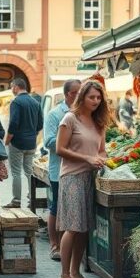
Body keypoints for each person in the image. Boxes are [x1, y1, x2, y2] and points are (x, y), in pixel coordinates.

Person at [55, 80, 109, 278]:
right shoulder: (70, 118)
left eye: (98, 97)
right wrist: (87, 158)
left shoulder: (99, 122)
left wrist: (100, 158)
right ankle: (64, 275)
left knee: (84, 228)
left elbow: (102, 150)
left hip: (90, 178)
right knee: (73, 226)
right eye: (91, 97)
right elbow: (60, 148)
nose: (96, 101)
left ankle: (76, 272)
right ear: (82, 97)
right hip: (72, 178)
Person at [42, 79, 81, 262]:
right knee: (56, 208)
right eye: (76, 93)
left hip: (79, 170)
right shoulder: (54, 114)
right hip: (59, 169)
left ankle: (69, 247)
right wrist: (68, 141)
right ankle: (54, 245)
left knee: (71, 210)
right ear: (67, 95)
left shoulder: (84, 113)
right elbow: (48, 141)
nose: (79, 96)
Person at [5, 77, 42, 209]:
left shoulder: (16, 102)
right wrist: (33, 135)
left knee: (16, 172)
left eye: (11, 87)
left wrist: (7, 140)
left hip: (17, 143)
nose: (11, 90)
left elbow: (14, 123)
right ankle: (31, 197)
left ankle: (16, 200)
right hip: (31, 143)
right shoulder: (35, 102)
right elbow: (40, 124)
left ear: (16, 87)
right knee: (28, 171)